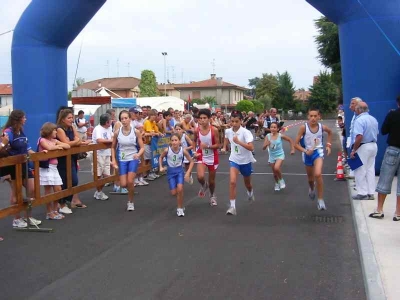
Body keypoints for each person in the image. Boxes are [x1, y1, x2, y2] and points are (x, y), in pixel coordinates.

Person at [2, 110, 42, 228]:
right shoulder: (8, 132)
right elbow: (3, 148)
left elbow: (28, 149)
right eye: (24, 117)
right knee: (17, 193)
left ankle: (28, 217)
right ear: (17, 119)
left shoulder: (21, 132)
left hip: (24, 165)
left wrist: (38, 156)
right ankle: (16, 219)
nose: (25, 119)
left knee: (32, 189)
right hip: (13, 166)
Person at [294, 108, 332, 211]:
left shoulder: (322, 127)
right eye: (311, 116)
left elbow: (330, 132)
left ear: (319, 117)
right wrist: (305, 151)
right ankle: (311, 188)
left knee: (318, 174)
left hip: (318, 152)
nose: (313, 118)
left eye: (315, 116)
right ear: (308, 117)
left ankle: (320, 200)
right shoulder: (303, 128)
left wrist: (328, 145)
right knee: (310, 179)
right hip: (307, 153)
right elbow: (295, 144)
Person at [370, 96, 400, 219]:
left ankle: (380, 209)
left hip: (393, 149)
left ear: (398, 103)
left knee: (385, 179)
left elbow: (383, 130)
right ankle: (398, 213)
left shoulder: (392, 114)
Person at [221, 110, 256, 216]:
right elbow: (226, 138)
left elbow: (251, 147)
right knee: (232, 182)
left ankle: (250, 192)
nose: (234, 124)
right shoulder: (228, 131)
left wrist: (239, 142)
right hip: (234, 159)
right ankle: (232, 207)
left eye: (236, 121)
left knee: (248, 184)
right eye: (232, 121)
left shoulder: (246, 132)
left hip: (245, 161)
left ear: (241, 121)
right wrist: (224, 147)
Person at [56, 109, 89, 214]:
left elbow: (78, 139)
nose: (71, 120)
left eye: (72, 117)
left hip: (72, 156)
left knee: (74, 181)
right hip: (62, 159)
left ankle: (67, 201)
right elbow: (66, 143)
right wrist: (75, 142)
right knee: (65, 181)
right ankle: (62, 203)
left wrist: (74, 142)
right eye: (69, 118)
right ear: (63, 119)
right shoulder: (59, 129)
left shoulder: (72, 127)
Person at [111, 110, 145, 211]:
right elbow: (113, 147)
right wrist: (113, 159)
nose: (124, 120)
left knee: (130, 181)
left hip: (133, 158)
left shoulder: (136, 132)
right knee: (123, 184)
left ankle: (130, 201)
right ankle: (129, 190)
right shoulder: (117, 133)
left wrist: (138, 154)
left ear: (130, 119)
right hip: (122, 159)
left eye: (126, 118)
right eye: (122, 119)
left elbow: (142, 147)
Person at [38, 122, 70, 220]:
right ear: (49, 131)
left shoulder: (54, 140)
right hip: (46, 167)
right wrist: (57, 147)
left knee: (58, 189)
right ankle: (49, 212)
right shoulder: (42, 140)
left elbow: (67, 146)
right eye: (54, 130)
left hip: (54, 167)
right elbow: (49, 148)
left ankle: (55, 210)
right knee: (48, 191)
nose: (56, 131)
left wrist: (58, 145)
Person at [159, 133, 195, 217]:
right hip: (170, 172)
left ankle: (180, 208)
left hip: (179, 171)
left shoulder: (183, 150)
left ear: (179, 141)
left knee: (180, 188)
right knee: (174, 192)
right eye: (172, 140)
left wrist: (188, 172)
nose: (174, 142)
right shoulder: (167, 150)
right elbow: (160, 157)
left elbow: (192, 161)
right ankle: (180, 199)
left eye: (176, 140)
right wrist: (161, 167)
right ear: (170, 142)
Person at [350, 102, 379, 200]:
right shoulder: (373, 119)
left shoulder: (359, 120)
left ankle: (362, 192)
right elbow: (377, 133)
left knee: (359, 169)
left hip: (363, 146)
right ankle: (371, 192)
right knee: (370, 169)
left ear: (358, 110)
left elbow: (359, 136)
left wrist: (354, 149)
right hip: (373, 145)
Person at [263, 122, 295, 191]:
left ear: (278, 129)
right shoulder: (268, 136)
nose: (273, 129)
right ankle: (277, 183)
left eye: (275, 127)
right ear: (269, 128)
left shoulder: (280, 136)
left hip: (280, 154)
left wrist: (292, 149)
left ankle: (281, 180)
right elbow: (263, 148)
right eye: (271, 127)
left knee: (277, 168)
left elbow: (290, 140)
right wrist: (266, 144)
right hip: (272, 156)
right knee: (274, 174)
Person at [91, 113, 113, 201]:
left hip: (107, 153)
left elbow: (112, 135)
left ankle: (99, 192)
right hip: (98, 154)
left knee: (107, 175)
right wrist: (110, 141)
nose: (112, 121)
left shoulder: (109, 128)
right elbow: (99, 140)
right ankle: (99, 192)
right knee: (98, 174)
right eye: (110, 120)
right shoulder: (98, 129)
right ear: (107, 122)